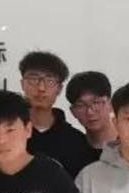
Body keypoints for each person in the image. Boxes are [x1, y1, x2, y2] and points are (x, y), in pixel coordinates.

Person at [20, 51, 96, 179]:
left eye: (49, 80)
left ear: (59, 89)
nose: (41, 88)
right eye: (33, 79)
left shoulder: (76, 142)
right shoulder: (8, 136)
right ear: (23, 84)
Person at [66, 70, 117, 158]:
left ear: (111, 104)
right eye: (81, 105)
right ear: (73, 112)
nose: (90, 112)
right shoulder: (70, 151)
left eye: (96, 102)